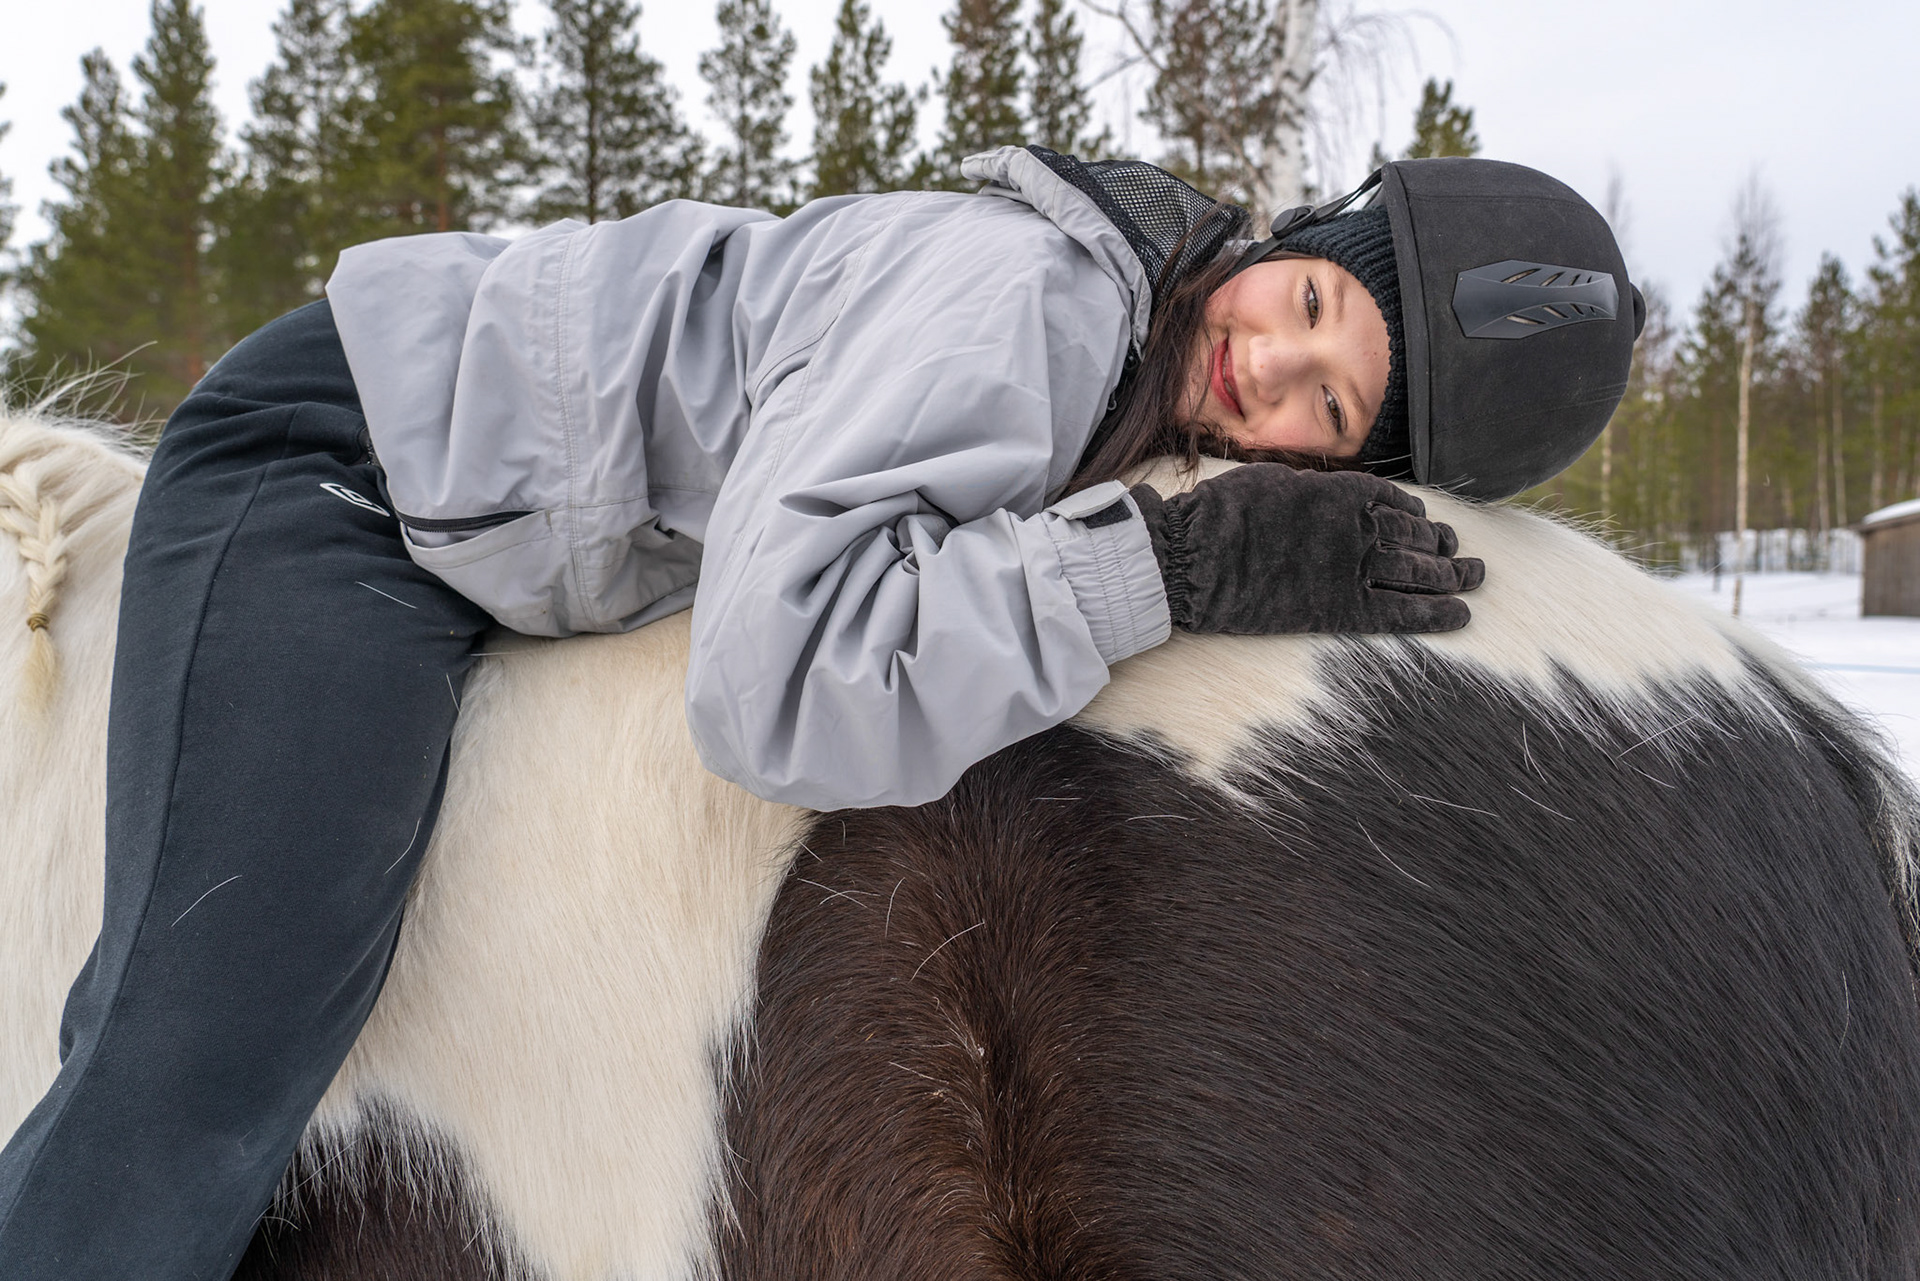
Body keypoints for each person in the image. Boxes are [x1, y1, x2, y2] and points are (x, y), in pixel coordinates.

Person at [0, 145, 1640, 1277]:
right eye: (1313, 306)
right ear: (1301, 238)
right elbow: (769, 686)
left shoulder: (1123, 353)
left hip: (493, 527)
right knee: (204, 1057)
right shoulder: (1032, 304)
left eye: (1331, 406)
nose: (1273, 369)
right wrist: (1158, 568)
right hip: (347, 464)